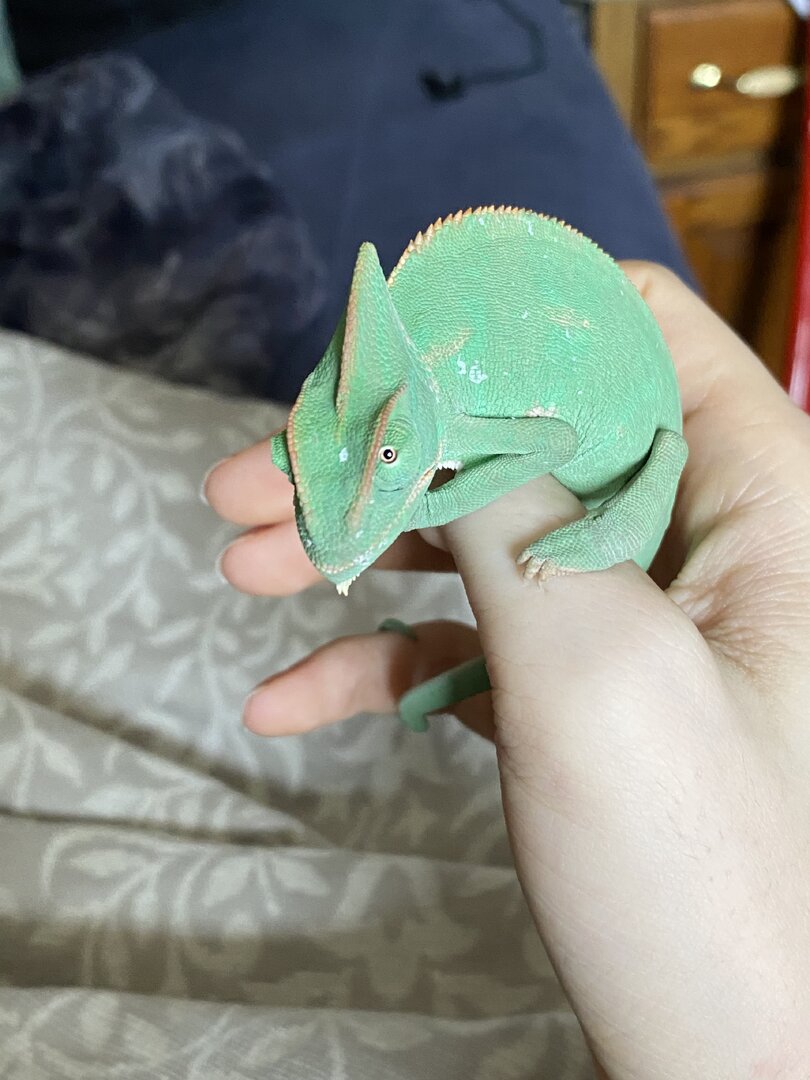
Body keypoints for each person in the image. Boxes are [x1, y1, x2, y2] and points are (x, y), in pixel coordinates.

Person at [205, 261, 810, 1078]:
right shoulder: (408, 382)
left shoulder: (440, 406)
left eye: (391, 451)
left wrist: (433, 500)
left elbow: (554, 442)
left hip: (632, 483)